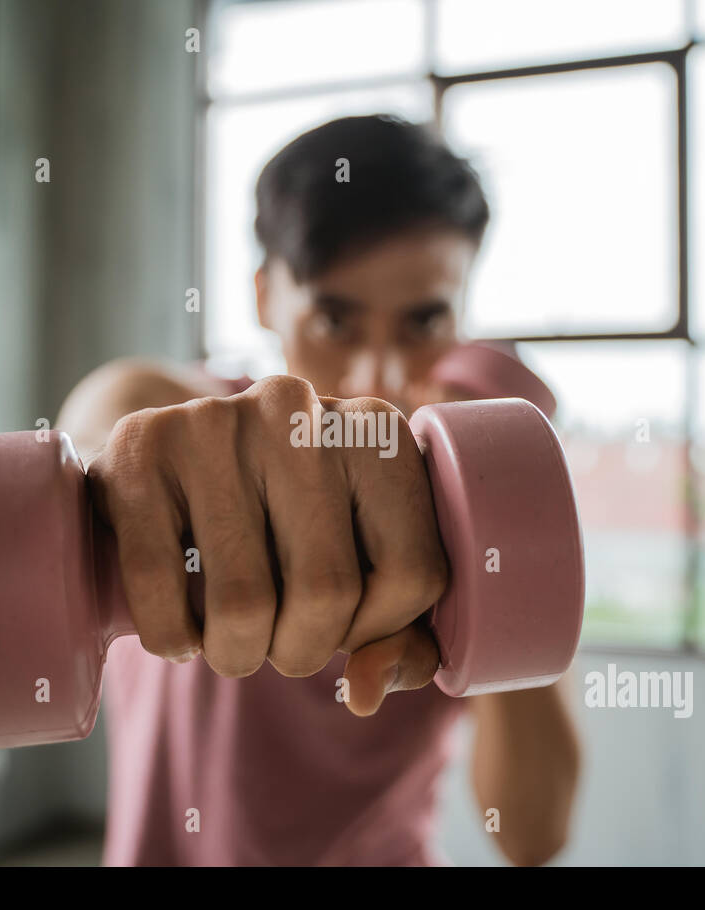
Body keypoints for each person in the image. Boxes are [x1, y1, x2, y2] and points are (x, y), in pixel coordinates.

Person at [55, 114, 582, 866]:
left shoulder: (459, 490)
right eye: (335, 320)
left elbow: (534, 836)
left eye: (423, 321)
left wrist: (501, 538)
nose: (377, 377)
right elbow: (115, 417)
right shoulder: (191, 434)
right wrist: (121, 455)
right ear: (268, 297)